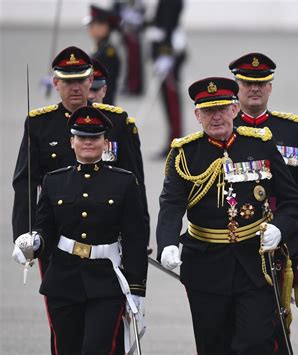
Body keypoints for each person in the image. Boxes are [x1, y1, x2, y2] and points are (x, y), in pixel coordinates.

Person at [12, 45, 150, 351]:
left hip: (108, 242)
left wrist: (137, 243)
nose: (75, 87)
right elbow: (25, 183)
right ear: (56, 83)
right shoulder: (39, 123)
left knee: (107, 334)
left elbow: (134, 187)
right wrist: (25, 235)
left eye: (82, 80)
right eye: (67, 80)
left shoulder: (117, 123)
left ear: (92, 82)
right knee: (62, 329)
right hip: (57, 241)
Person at [156, 77, 298, 354]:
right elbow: (171, 206)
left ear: (235, 110)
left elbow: (294, 201)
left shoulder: (260, 145)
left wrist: (280, 229)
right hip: (205, 265)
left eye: (223, 109)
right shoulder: (185, 154)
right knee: (213, 346)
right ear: (197, 115)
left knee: (255, 342)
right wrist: (167, 244)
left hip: (255, 263)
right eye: (209, 111)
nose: (217, 117)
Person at [229, 53, 298, 254]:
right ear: (237, 87)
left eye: (261, 83)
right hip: (239, 235)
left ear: (270, 87)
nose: (254, 88)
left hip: (286, 235)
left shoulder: (292, 129)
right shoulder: (225, 130)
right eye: (246, 83)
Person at [148, 0, 187, 157]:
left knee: (172, 100)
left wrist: (164, 53)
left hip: (169, 53)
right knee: (168, 100)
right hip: (166, 51)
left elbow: (168, 25)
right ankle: (173, 138)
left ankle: (176, 140)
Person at [85, 4, 121, 105]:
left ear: (104, 27)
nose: (89, 28)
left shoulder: (107, 54)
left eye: (93, 25)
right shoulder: (100, 50)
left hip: (102, 108)